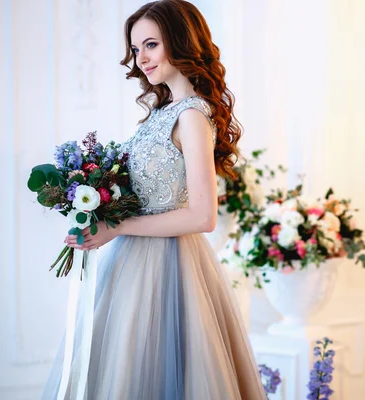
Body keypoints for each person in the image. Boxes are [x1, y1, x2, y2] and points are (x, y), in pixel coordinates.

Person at [41, 1, 266, 398]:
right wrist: (99, 210)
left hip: (173, 266)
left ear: (180, 42)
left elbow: (202, 216)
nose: (141, 59)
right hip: (131, 260)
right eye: (135, 49)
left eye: (150, 45)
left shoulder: (193, 115)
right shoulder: (162, 111)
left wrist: (117, 225)